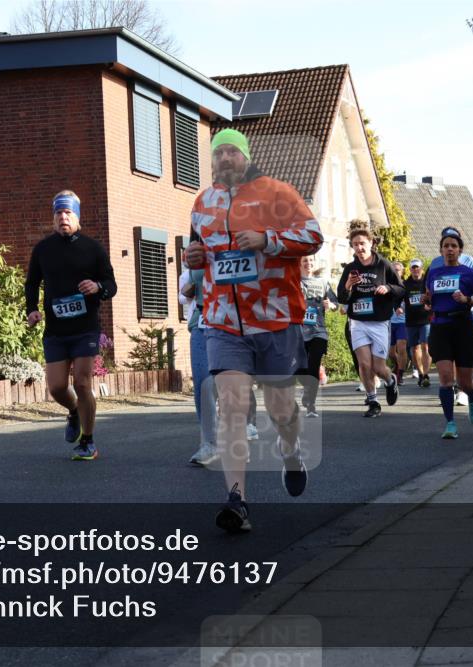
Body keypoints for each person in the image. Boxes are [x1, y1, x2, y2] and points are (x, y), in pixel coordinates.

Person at [184, 129, 322, 533]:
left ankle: (291, 450)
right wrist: (194, 257)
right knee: (230, 404)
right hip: (223, 321)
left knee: (281, 410)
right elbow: (198, 254)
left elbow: (313, 236)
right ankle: (236, 500)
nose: (225, 158)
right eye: (219, 152)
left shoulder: (278, 193)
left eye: (232, 151)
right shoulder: (202, 202)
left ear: (245, 156)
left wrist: (268, 240)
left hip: (276, 319)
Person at [26, 190, 117, 461]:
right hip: (55, 329)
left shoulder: (93, 248)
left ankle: (88, 441)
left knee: (82, 381)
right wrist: (31, 309)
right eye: (58, 213)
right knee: (55, 387)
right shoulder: (43, 249)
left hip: (85, 327)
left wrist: (97, 286)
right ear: (53, 218)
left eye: (68, 213)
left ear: (77, 216)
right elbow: (31, 283)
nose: (62, 217)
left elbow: (111, 285)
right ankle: (75, 410)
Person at [424, 228, 473, 439]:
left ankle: (472, 396)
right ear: (441, 250)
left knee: (465, 382)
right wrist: (426, 302)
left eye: (453, 246)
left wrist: (466, 300)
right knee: (445, 378)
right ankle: (450, 423)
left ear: (460, 250)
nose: (449, 249)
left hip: (463, 326)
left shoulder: (468, 273)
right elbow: (428, 296)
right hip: (440, 326)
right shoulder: (433, 273)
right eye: (446, 246)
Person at [337, 226, 404, 418]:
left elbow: (401, 289)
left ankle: (390, 380)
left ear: (371, 243)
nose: (359, 248)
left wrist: (387, 288)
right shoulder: (350, 268)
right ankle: (373, 400)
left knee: (378, 368)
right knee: (364, 364)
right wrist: (349, 285)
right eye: (355, 244)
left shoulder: (383, 265)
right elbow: (342, 296)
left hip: (379, 322)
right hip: (358, 322)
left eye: (362, 243)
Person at [180, 265, 217, 466]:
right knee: (203, 383)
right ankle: (210, 443)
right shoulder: (196, 247)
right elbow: (186, 291)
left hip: (234, 319)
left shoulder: (239, 238)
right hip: (201, 321)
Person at [298, 255, 337, 418]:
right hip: (298, 331)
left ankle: (311, 405)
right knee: (300, 369)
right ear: (299, 264)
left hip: (318, 330)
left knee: (313, 366)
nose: (308, 263)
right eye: (305, 261)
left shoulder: (323, 282)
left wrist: (331, 305)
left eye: (311, 261)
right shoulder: (294, 282)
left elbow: (336, 304)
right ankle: (307, 390)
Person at [403, 258, 432, 388]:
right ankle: (420, 373)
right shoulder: (405, 284)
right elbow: (398, 298)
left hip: (425, 319)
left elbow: (432, 296)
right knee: (414, 348)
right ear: (410, 270)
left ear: (422, 269)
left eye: (417, 267)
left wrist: (430, 305)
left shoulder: (426, 283)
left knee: (425, 346)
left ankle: (426, 374)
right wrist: (397, 307)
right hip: (411, 319)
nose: (415, 270)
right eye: (413, 267)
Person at [387, 261, 409, 386]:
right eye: (394, 269)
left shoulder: (405, 286)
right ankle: (398, 366)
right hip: (390, 322)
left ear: (402, 271)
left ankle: (400, 374)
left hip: (402, 322)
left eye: (398, 270)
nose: (396, 272)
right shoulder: (388, 286)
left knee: (401, 348)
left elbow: (410, 301)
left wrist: (403, 308)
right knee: (390, 353)